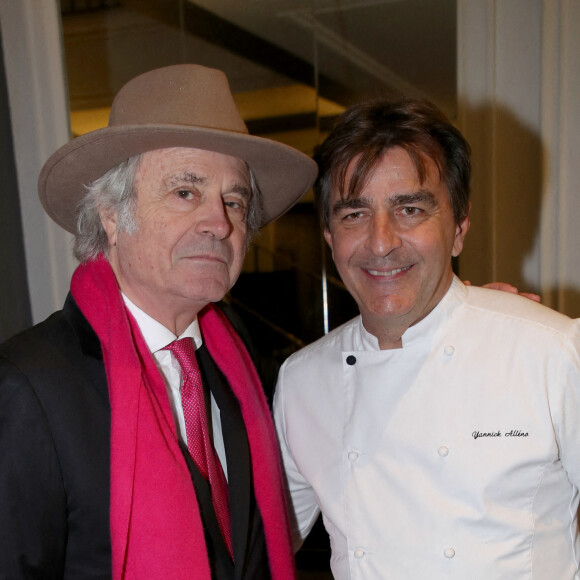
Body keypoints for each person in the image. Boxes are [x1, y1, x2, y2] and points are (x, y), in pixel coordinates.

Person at [0, 64, 317, 579]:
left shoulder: (235, 364)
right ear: (110, 214)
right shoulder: (28, 386)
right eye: (186, 192)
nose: (220, 223)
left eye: (234, 200)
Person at [273, 97, 580, 579]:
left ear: (459, 228)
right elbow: (264, 541)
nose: (381, 242)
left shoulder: (550, 351)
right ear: (330, 240)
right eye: (354, 215)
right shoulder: (302, 381)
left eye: (410, 209)